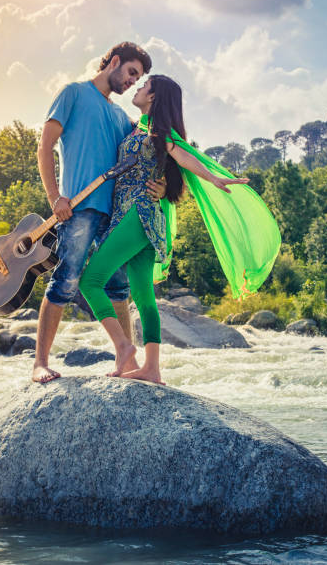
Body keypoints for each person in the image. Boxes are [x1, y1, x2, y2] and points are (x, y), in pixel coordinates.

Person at [78, 75, 250, 385]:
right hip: (140, 219)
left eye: (143, 85)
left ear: (154, 97)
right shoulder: (138, 127)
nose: (138, 87)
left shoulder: (159, 132)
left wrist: (213, 178)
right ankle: (152, 369)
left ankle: (124, 347)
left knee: (91, 281)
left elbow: (183, 156)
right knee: (144, 298)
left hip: (138, 215)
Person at [32, 42, 166, 384]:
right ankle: (40, 363)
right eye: (132, 73)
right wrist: (54, 197)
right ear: (115, 62)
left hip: (117, 216)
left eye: (139, 78)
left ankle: (127, 358)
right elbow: (45, 144)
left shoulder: (122, 117)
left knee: (120, 288)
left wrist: (164, 186)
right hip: (78, 208)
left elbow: (155, 148)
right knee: (66, 280)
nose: (132, 82)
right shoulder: (73, 93)